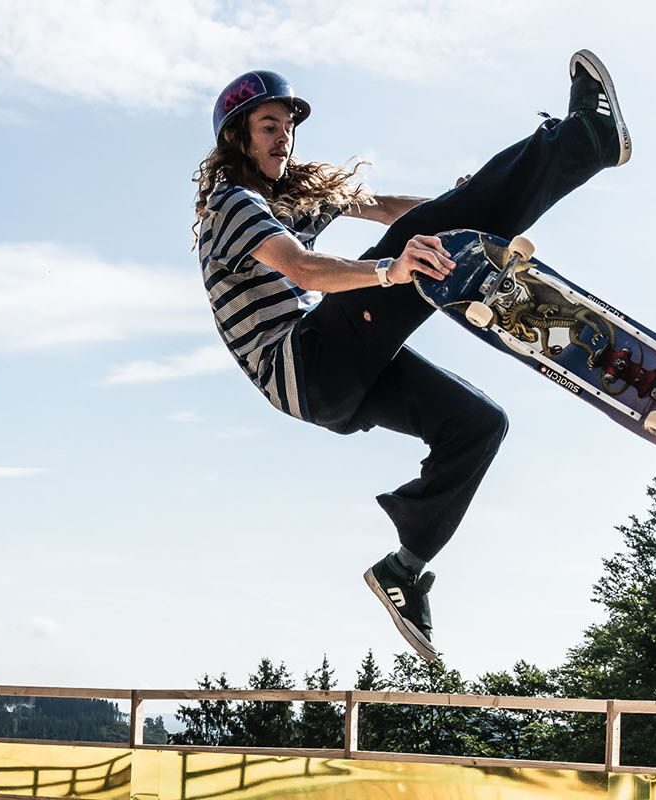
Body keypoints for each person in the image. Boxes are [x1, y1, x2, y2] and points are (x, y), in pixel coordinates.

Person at [191, 51, 633, 661]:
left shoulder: (287, 196)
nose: (283, 140)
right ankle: (588, 138)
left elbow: (390, 210)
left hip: (333, 384)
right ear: (237, 138)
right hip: (306, 363)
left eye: (288, 127)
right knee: (414, 250)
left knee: (478, 425)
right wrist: (392, 268)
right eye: (268, 128)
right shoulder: (233, 206)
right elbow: (303, 268)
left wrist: (466, 206)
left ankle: (404, 567)